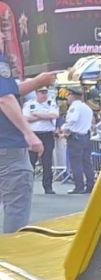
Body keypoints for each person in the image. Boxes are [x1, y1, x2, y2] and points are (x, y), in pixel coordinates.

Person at [0, 59, 46, 232]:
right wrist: (29, 133)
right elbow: (4, 98)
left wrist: (37, 82)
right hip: (8, 146)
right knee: (16, 208)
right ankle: (13, 247)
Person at [23, 85, 59, 194]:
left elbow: (54, 115)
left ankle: (48, 187)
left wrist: (37, 115)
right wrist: (44, 116)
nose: (44, 94)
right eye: (41, 92)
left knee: (47, 162)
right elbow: (25, 118)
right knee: (31, 162)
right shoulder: (29, 104)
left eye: (45, 92)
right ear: (36, 93)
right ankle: (28, 186)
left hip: (47, 135)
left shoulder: (51, 103)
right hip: (34, 134)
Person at [61, 86, 95, 194]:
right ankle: (90, 185)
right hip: (86, 136)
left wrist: (64, 128)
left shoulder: (74, 107)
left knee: (76, 163)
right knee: (87, 162)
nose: (67, 98)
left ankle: (79, 186)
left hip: (75, 138)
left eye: (68, 95)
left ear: (72, 96)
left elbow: (72, 119)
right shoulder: (87, 108)